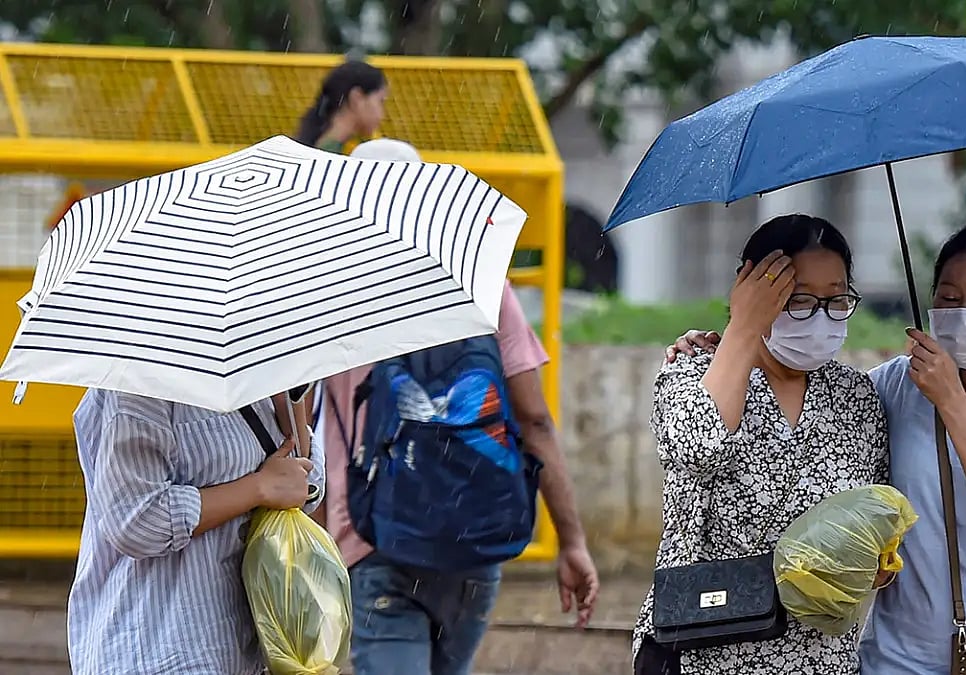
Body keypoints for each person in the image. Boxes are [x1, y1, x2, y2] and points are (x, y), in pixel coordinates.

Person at [666, 220, 966, 675]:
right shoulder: (895, 386)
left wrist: (952, 401)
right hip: (898, 660)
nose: (965, 313)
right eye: (948, 299)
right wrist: (722, 348)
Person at [313, 139, 600, 675]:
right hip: (473, 531)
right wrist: (572, 541)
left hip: (373, 536)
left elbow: (305, 418)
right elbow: (534, 421)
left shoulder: (331, 287)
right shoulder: (480, 280)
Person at [633, 214, 889, 675]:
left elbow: (875, 516)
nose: (821, 315)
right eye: (798, 300)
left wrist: (873, 563)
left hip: (820, 658)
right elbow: (697, 448)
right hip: (702, 652)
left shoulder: (856, 397)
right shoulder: (691, 373)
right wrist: (743, 328)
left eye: (836, 300)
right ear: (752, 288)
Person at [66, 391, 324, 675]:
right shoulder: (139, 385)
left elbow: (305, 488)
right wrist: (257, 488)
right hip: (160, 650)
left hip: (238, 650)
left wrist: (290, 400)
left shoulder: (250, 377)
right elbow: (134, 521)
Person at [295, 59, 388, 152]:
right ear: (357, 98)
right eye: (380, 101)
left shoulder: (304, 148)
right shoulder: (346, 154)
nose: (383, 115)